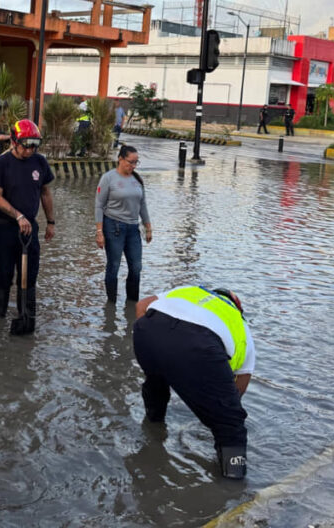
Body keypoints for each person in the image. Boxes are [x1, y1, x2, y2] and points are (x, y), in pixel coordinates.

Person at [133, 286, 254, 480]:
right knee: (231, 423)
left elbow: (141, 305)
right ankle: (234, 478)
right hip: (199, 345)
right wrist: (215, 409)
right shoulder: (241, 326)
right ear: (237, 307)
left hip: (146, 331)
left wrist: (147, 340)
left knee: (156, 380)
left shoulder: (190, 290)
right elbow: (238, 390)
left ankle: (154, 426)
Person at [0, 119, 55, 334]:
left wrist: (50, 222)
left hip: (29, 229)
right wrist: (18, 216)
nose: (30, 150)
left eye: (34, 145)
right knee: (5, 273)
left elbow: (45, 192)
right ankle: (0, 314)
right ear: (14, 142)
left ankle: (26, 316)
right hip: (6, 227)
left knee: (30, 275)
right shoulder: (1, 164)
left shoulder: (40, 162)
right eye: (26, 145)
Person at [95, 145, 152, 302]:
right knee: (113, 265)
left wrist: (148, 227)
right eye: (130, 162)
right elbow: (99, 205)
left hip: (133, 228)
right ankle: (111, 303)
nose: (133, 166)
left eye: (136, 162)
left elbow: (143, 204)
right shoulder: (108, 178)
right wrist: (99, 232)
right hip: (114, 227)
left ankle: (132, 304)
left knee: (136, 267)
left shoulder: (137, 179)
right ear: (120, 159)